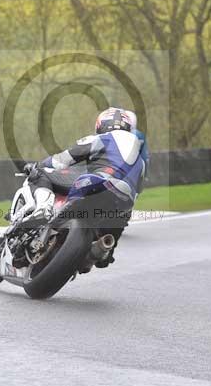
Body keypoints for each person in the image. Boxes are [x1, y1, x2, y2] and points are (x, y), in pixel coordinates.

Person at [21, 107, 146, 266]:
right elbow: (137, 191)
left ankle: (42, 209)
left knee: (40, 174)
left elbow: (63, 159)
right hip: (124, 200)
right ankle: (104, 250)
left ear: (101, 124)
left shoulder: (102, 138)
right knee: (117, 223)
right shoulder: (141, 161)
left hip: (98, 181)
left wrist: (37, 166)